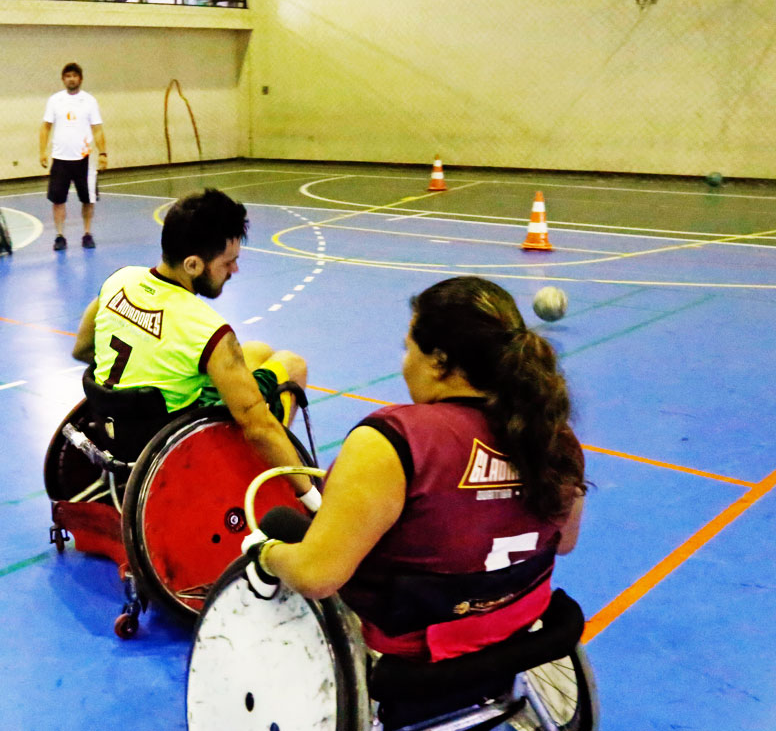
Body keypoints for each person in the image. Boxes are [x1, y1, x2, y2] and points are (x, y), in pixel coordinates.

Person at [245, 276, 587, 663]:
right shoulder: (554, 435)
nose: (405, 364)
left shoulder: (394, 440)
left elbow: (316, 576)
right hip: (517, 628)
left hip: (413, 650)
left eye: (408, 349)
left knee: (279, 525)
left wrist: (267, 554)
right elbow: (565, 542)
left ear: (439, 361)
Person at [71, 188, 317, 505]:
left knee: (257, 350)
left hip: (116, 430)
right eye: (228, 262)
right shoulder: (208, 330)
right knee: (293, 365)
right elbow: (259, 429)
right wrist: (312, 498)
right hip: (174, 447)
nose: (234, 270)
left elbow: (82, 350)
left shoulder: (120, 280)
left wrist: (150, 362)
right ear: (192, 265)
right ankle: (264, 480)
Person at [39, 62, 106, 251]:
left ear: (80, 79)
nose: (71, 79)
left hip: (84, 159)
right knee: (58, 200)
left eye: (75, 76)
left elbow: (97, 129)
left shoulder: (89, 101)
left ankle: (87, 233)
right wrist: (42, 151)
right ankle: (60, 236)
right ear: (63, 79)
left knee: (88, 199)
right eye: (68, 76)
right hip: (60, 159)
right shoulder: (55, 100)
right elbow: (45, 127)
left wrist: (103, 153)